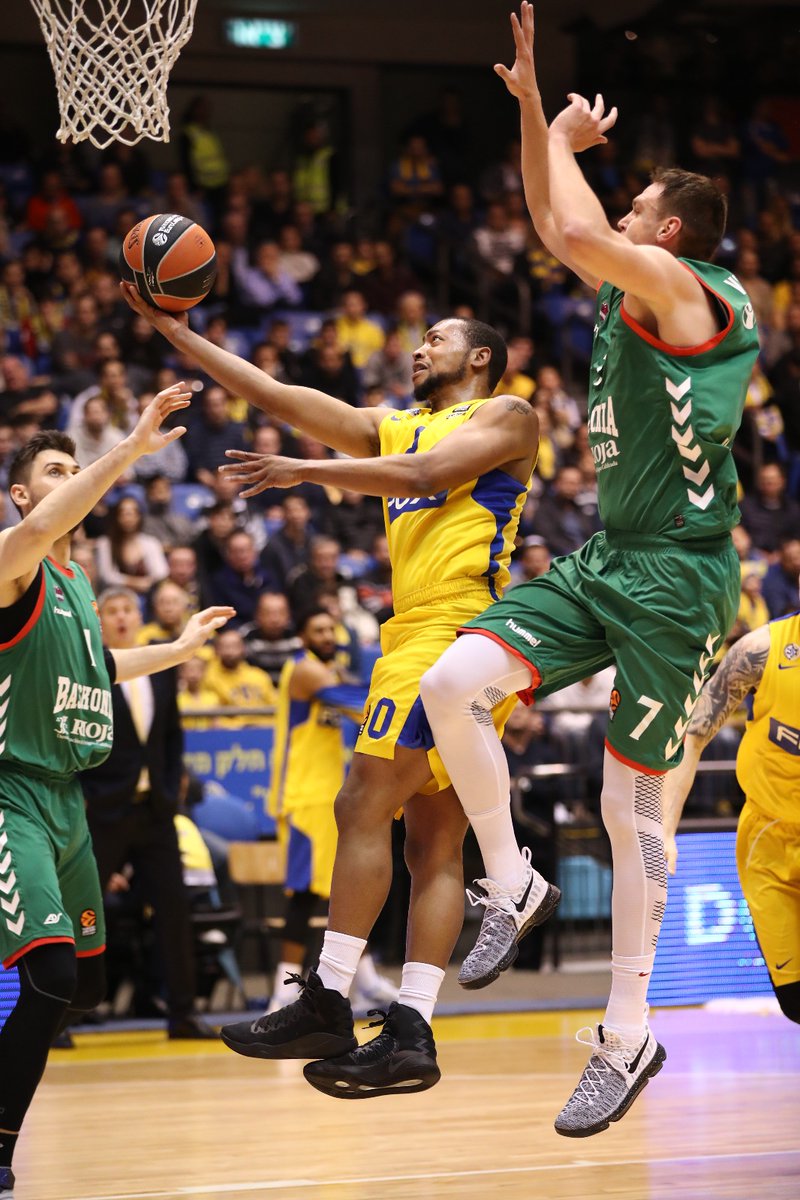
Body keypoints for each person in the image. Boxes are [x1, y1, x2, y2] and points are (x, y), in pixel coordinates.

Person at [418, 4, 760, 1139]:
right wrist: (529, 113)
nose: (615, 219)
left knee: (630, 803)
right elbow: (551, 216)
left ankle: (625, 1031)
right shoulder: (634, 278)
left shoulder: (690, 296)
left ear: (667, 233)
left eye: (634, 211)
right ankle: (508, 877)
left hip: (677, 579)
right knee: (450, 684)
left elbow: (568, 230)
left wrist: (551, 133)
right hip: (610, 554)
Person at [121, 279, 543, 1099]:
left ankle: (325, 996)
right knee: (430, 843)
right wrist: (178, 333)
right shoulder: (397, 422)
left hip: (453, 628)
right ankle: (413, 1029)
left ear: (480, 357)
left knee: (359, 803)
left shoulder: (508, 415)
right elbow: (278, 395)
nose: (419, 348)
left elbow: (420, 471)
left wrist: (304, 471)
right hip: (428, 635)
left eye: (438, 338)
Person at [0, 389, 234, 1196]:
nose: (73, 481)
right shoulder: (12, 559)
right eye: (56, 471)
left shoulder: (75, 590)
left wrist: (174, 648)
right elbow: (35, 531)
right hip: (12, 793)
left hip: (70, 804)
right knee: (51, 978)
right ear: (24, 494)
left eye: (77, 468)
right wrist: (130, 447)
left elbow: (102, 669)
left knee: (87, 987)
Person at [80, 587, 217, 1040]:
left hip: (155, 811)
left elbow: (173, 736)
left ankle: (182, 1012)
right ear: (100, 620)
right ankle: (67, 1013)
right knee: (82, 909)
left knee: (174, 911)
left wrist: (169, 786)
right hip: (103, 810)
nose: (121, 617)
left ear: (138, 618)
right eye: (113, 610)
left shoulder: (160, 668)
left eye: (128, 610)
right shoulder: (88, 666)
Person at [662, 617, 799, 1026]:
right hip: (770, 841)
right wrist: (665, 829)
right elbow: (693, 735)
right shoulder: (760, 650)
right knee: (794, 1001)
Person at [266, 608, 397, 1015]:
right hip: (301, 793)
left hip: (327, 792)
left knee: (346, 888)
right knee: (305, 893)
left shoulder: (331, 669)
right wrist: (403, 693)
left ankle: (367, 982)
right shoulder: (305, 670)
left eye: (330, 628)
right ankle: (282, 992)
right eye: (317, 628)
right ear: (302, 635)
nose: (326, 634)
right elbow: (356, 700)